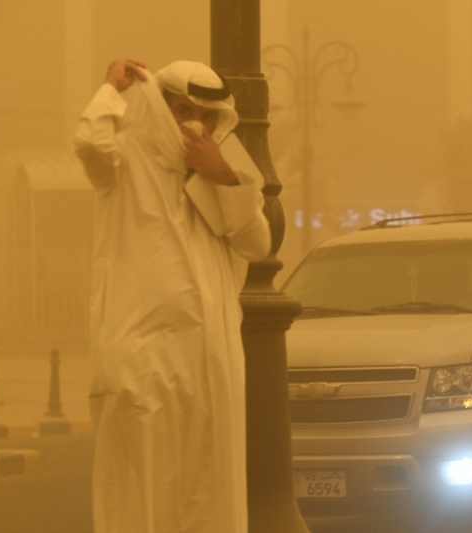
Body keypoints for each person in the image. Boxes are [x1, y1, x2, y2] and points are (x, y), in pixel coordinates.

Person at [74, 58, 271, 533]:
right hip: (142, 357)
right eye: (184, 111)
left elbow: (257, 243)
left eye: (206, 116)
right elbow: (89, 143)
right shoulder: (125, 159)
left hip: (208, 360)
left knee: (208, 484)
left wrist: (220, 173)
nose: (195, 125)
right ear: (161, 106)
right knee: (139, 486)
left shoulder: (228, 168)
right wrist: (111, 90)